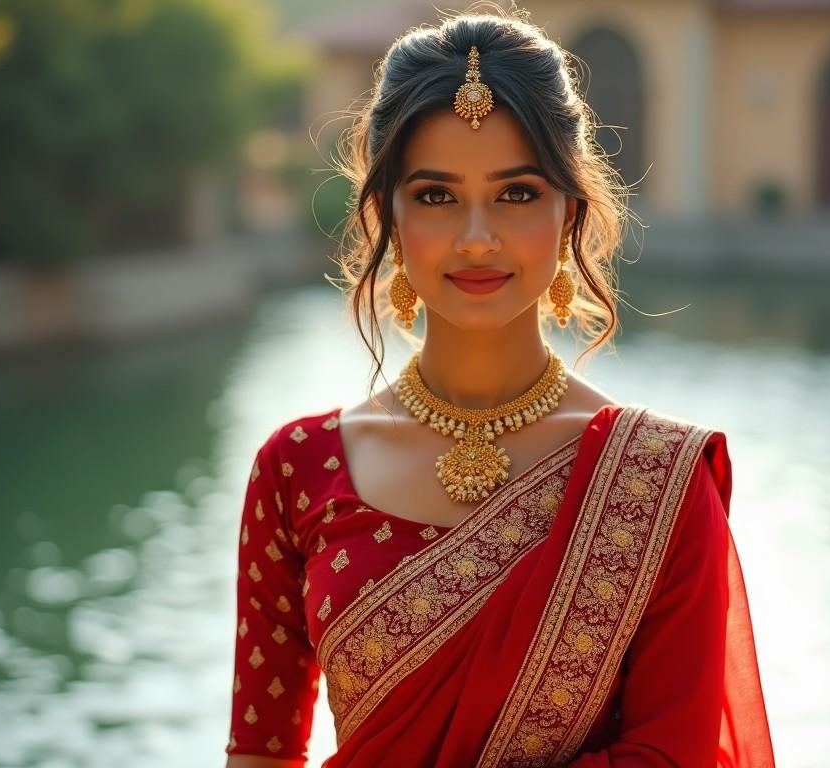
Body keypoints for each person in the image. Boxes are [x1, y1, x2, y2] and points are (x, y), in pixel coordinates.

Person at [224, 7, 774, 767]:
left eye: (516, 194)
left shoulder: (658, 482)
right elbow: (258, 754)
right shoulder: (296, 468)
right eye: (437, 196)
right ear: (386, 212)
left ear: (570, 212)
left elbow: (674, 757)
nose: (477, 236)